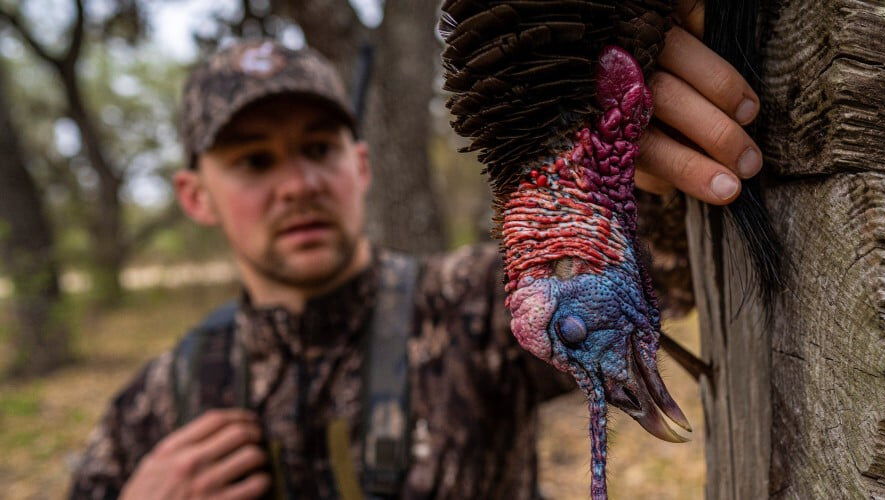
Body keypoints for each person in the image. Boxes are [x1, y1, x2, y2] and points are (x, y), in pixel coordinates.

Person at [68, 3, 763, 499]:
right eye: (254, 162)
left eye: (318, 149)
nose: (298, 185)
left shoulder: (469, 305)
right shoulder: (153, 408)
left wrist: (627, 170)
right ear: (195, 197)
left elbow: (670, 278)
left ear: (360, 166)